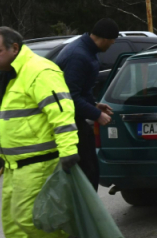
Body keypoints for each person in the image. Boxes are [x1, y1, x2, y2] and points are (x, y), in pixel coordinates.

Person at [0, 26, 78, 238]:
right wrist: (1, 153)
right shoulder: (7, 75)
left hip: (38, 164)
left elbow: (62, 113)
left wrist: (68, 150)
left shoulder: (40, 71)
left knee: (32, 220)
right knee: (13, 225)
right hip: (12, 166)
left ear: (14, 48)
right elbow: (7, 120)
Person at [54, 18, 119, 190]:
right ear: (104, 38)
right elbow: (69, 97)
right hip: (67, 121)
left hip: (74, 117)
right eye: (112, 41)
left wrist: (95, 105)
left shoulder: (87, 50)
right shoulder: (78, 56)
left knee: (90, 167)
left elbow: (82, 90)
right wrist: (97, 115)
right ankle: (86, 212)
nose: (111, 45)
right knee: (87, 170)